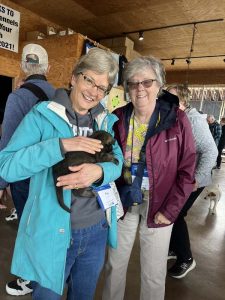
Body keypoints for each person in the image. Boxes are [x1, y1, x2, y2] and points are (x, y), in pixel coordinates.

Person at [0, 47, 123, 300]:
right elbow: (7, 165)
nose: (94, 92)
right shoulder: (42, 115)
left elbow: (118, 162)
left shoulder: (104, 120)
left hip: (96, 230)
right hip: (52, 231)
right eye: (89, 80)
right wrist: (60, 146)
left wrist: (99, 171)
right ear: (74, 77)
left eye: (102, 87)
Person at [102, 56, 196, 300]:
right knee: (114, 265)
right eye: (133, 83)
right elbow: (106, 159)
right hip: (123, 200)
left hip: (160, 203)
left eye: (147, 82)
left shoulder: (177, 120)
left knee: (153, 273)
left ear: (159, 85)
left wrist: (171, 210)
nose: (140, 88)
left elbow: (187, 171)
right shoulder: (118, 118)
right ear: (127, 89)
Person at [0, 43, 55, 296]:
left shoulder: (18, 97)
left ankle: (30, 280)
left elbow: (7, 144)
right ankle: (46, 274)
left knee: (28, 227)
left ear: (22, 67)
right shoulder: (59, 95)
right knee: (44, 226)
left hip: (25, 177)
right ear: (49, 68)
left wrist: (1, 184)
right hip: (52, 175)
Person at [166, 84, 218, 278]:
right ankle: (174, 248)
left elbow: (211, 151)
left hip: (194, 180)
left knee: (176, 214)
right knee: (173, 213)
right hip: (180, 178)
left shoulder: (194, 120)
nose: (165, 101)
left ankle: (186, 259)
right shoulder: (175, 117)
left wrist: (195, 178)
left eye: (171, 98)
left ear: (183, 102)